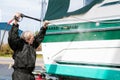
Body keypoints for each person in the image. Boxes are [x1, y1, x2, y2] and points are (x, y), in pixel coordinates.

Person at [8, 12, 49, 80]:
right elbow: (13, 36)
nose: (34, 38)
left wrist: (44, 26)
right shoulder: (18, 45)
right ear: (27, 38)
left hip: (30, 75)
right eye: (32, 37)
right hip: (19, 75)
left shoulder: (32, 45)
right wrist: (16, 21)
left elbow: (39, 37)